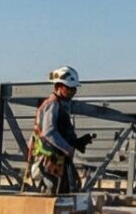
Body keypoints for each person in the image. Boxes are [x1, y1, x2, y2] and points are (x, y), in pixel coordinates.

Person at [27, 66, 95, 195]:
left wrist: (76, 142)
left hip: (58, 157)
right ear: (58, 87)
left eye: (74, 89)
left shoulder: (61, 105)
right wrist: (67, 148)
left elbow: (60, 131)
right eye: (69, 88)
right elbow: (49, 132)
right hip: (48, 159)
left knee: (69, 187)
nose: (72, 92)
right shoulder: (52, 104)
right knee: (54, 191)